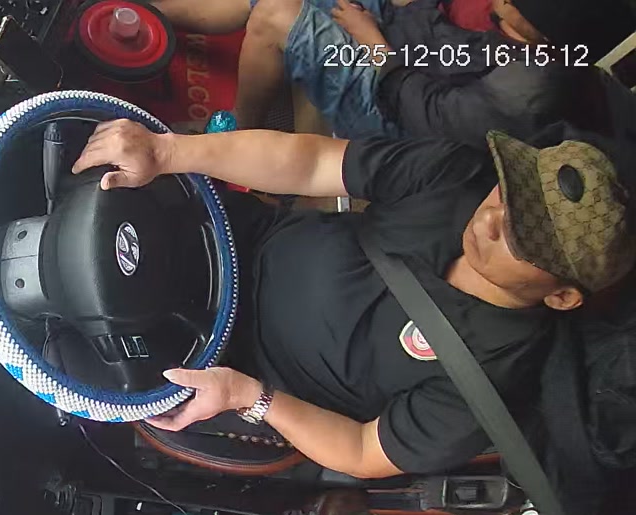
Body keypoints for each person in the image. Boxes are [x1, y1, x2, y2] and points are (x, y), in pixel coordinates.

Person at [71, 119, 633, 477]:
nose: (490, 219)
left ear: (561, 296)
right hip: (228, 239)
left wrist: (247, 396)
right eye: (508, 193)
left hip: (222, 363)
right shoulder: (457, 177)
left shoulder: (494, 378)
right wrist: (169, 151)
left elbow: (363, 451)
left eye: (521, 237)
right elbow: (314, 163)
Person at [150, 0, 634, 147]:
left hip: (391, 106)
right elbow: (437, 26)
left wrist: (372, 42)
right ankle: (137, 14)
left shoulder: (526, 90)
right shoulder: (516, 30)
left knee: (276, 15)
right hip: (401, 42)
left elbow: (426, 115)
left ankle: (238, 134)